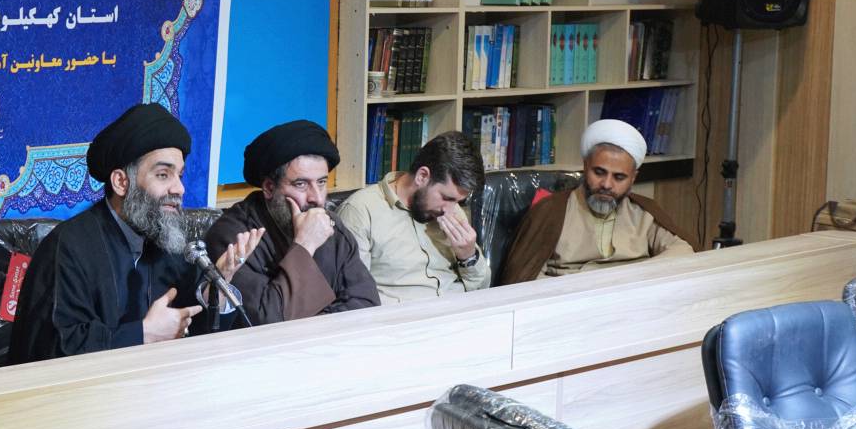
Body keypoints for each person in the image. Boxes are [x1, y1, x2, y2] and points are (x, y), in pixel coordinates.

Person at [8, 103, 263, 363]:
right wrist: (142, 334)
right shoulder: (68, 248)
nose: (179, 189)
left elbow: (193, 334)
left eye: (179, 175)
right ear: (121, 182)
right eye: (163, 175)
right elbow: (52, 347)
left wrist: (214, 290)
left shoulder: (171, 241)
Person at [204, 119, 378, 323]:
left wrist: (316, 321)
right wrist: (305, 245)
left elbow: (367, 303)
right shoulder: (233, 235)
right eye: (301, 184)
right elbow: (265, 323)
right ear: (269, 188)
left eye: (321, 182)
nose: (316, 198)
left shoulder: (331, 226)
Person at [500, 118, 694, 283]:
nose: (607, 184)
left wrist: (629, 277)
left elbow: (683, 250)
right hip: (572, 302)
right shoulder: (552, 211)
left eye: (619, 177)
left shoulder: (643, 212)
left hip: (634, 297)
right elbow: (526, 280)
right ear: (586, 166)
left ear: (633, 178)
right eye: (599, 172)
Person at [336, 130, 490, 302]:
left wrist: (469, 256)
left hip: (462, 310)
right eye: (446, 198)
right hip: (404, 316)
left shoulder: (451, 210)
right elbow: (354, 298)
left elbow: (484, 287)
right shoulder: (360, 212)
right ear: (422, 176)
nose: (450, 210)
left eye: (458, 202)